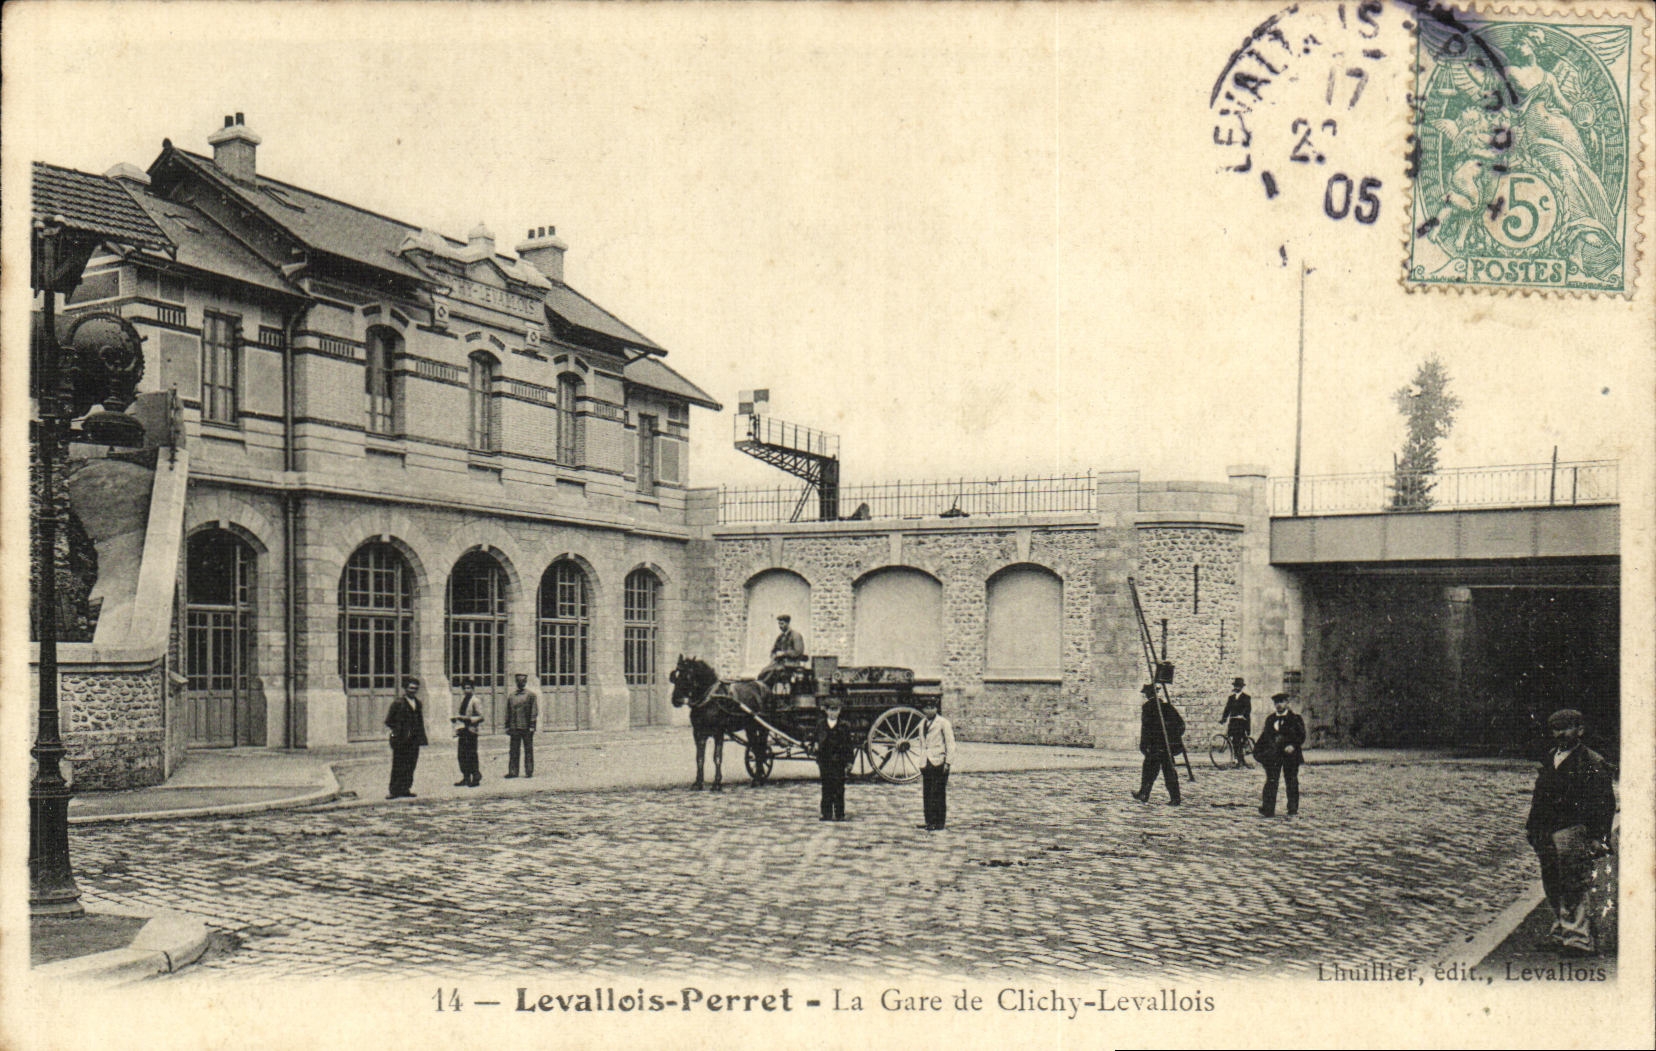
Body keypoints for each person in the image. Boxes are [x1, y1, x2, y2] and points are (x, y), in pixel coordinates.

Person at [1525, 708, 1617, 955]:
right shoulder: (1550, 758)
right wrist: (1532, 827)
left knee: (1573, 882)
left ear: (1580, 730)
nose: (1560, 734)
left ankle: (1578, 939)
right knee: (1552, 881)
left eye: (1566, 728)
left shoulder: (1592, 761)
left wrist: (1600, 838)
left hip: (1574, 829)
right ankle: (1560, 933)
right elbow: (1539, 797)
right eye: (1556, 729)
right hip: (1546, 829)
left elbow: (1604, 803)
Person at [1132, 683, 1185, 805]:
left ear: (1148, 695)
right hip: (1167, 747)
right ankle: (1175, 798)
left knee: (1149, 771)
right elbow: (1181, 725)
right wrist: (1173, 739)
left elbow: (1146, 729)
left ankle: (1144, 794)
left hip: (1155, 747)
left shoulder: (1148, 707)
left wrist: (1144, 745)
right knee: (1169, 771)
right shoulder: (1168, 707)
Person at [1256, 692, 1306, 817]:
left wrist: (1293, 746)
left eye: (1281, 702)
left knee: (1291, 781)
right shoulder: (1270, 719)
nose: (1279, 705)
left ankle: (1293, 808)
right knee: (1271, 780)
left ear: (1287, 703)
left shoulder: (1295, 718)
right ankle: (1268, 808)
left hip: (1290, 755)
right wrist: (1259, 752)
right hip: (1274, 756)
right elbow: (1265, 737)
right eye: (1276, 703)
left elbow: (1301, 735)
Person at [385, 676, 428, 799]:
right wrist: (400, 730)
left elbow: (420, 721)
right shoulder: (398, 703)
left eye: (415, 688)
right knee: (398, 764)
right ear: (405, 688)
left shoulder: (418, 703)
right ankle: (394, 791)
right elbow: (389, 721)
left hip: (413, 740)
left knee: (411, 765)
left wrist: (421, 737)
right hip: (401, 740)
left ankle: (406, 788)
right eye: (410, 688)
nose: (413, 690)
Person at [814, 696, 856, 821]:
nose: (833, 713)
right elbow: (816, 740)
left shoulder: (844, 726)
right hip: (825, 761)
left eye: (836, 710)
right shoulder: (821, 725)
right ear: (826, 711)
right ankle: (826, 813)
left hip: (839, 761)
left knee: (839, 787)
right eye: (831, 710)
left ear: (840, 711)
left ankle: (839, 814)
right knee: (826, 787)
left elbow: (849, 745)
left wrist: (849, 762)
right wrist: (816, 749)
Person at [917, 699, 955, 831]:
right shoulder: (922, 723)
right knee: (927, 792)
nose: (929, 710)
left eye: (932, 707)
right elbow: (922, 743)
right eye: (926, 707)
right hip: (926, 762)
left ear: (936, 709)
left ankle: (939, 823)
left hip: (939, 761)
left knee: (938, 793)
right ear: (923, 710)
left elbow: (950, 743)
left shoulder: (943, 723)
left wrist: (948, 762)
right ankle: (929, 821)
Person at [757, 613, 807, 688]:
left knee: (772, 672)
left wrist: (784, 653)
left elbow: (798, 651)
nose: (780, 626)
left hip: (791, 664)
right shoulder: (780, 637)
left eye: (782, 624)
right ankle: (762, 689)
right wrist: (774, 655)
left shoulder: (796, 635)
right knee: (763, 672)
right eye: (779, 624)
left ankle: (765, 689)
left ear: (788, 623)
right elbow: (774, 649)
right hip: (780, 664)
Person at [450, 678, 484, 787]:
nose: (466, 690)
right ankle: (466, 777)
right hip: (463, 731)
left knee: (471, 755)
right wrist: (457, 719)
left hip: (471, 731)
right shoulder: (464, 699)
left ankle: (476, 776)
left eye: (468, 688)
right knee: (462, 755)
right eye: (464, 688)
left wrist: (467, 719)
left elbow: (481, 716)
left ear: (473, 689)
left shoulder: (475, 700)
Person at [504, 673, 538, 779]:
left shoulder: (531, 695)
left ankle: (529, 770)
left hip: (526, 727)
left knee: (528, 749)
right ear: (516, 682)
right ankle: (513, 771)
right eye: (518, 681)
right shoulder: (512, 696)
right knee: (513, 750)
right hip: (514, 727)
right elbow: (508, 711)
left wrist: (532, 724)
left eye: (523, 681)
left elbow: (534, 711)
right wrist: (507, 725)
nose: (520, 682)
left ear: (525, 682)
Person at [1220, 677, 1252, 768]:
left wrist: (1242, 715)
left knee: (1239, 741)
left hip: (1242, 722)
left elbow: (1248, 709)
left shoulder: (1246, 697)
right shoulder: (1231, 698)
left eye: (1238, 686)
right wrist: (1224, 719)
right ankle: (1239, 759)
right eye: (1235, 686)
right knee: (1234, 741)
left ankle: (1240, 760)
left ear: (1242, 687)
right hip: (1233, 722)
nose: (1237, 688)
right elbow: (1227, 709)